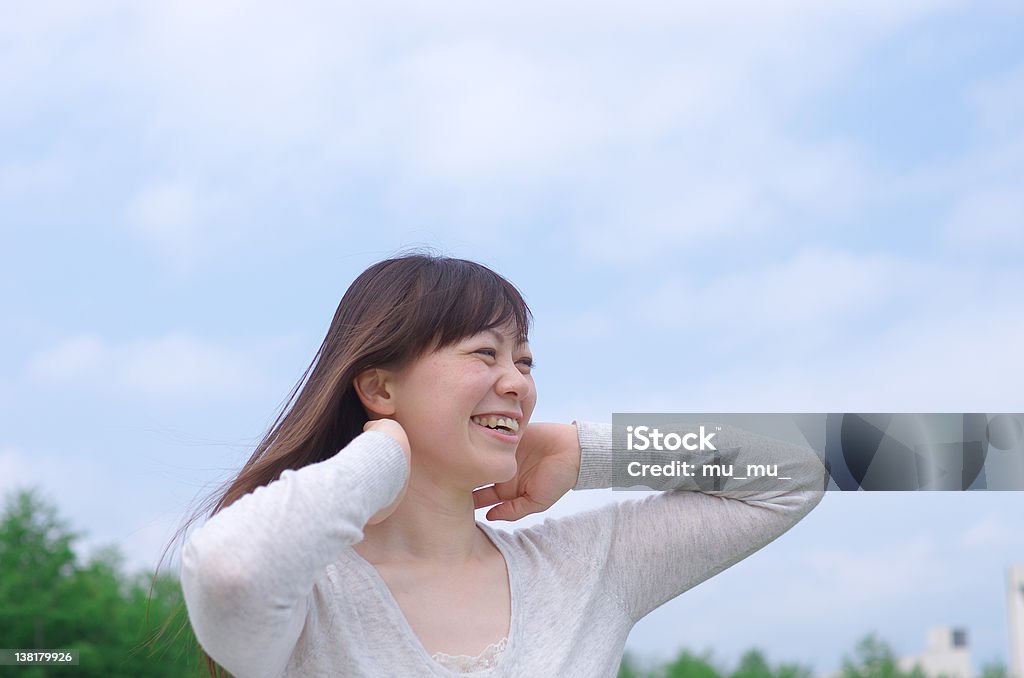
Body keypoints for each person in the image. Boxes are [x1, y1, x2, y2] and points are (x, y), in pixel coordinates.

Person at [179, 253, 827, 677]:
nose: (517, 382)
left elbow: (797, 472)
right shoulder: (310, 599)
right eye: (483, 354)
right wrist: (378, 459)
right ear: (379, 388)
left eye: (524, 360)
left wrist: (589, 451)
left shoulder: (586, 569)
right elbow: (229, 570)